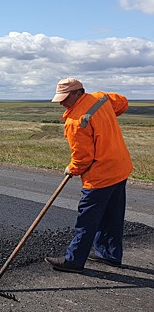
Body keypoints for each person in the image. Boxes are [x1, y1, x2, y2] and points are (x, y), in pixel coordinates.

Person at [44, 77, 133, 273]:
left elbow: (83, 158)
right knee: (112, 216)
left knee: (87, 219)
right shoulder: (101, 99)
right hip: (120, 168)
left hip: (100, 176)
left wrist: (72, 168)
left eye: (65, 97)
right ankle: (109, 254)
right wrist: (106, 119)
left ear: (78, 92)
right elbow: (123, 102)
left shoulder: (76, 121)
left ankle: (74, 261)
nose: (62, 102)